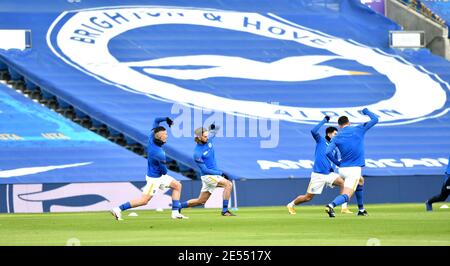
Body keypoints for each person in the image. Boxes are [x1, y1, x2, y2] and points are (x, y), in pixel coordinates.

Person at [111, 117, 188, 220]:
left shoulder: (152, 137)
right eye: (165, 134)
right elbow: (164, 171)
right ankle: (118, 209)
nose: (167, 135)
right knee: (144, 201)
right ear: (160, 137)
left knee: (177, 185)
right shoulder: (159, 153)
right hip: (154, 179)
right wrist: (164, 163)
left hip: (157, 176)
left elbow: (156, 120)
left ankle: (175, 213)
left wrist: (166, 119)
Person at [287, 116, 347, 214]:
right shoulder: (321, 140)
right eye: (335, 134)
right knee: (308, 198)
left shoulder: (335, 147)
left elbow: (334, 161)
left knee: (342, 183)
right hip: (318, 175)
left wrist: (333, 168)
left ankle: (343, 208)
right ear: (329, 134)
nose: (336, 136)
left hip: (328, 174)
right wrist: (324, 120)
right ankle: (291, 204)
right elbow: (313, 131)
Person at [324, 108, 378, 218]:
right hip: (353, 170)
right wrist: (366, 111)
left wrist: (337, 163)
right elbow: (375, 119)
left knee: (361, 180)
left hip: (342, 169)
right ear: (349, 123)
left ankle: (361, 209)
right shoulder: (359, 129)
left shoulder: (337, 136)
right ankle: (331, 205)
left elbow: (328, 152)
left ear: (339, 126)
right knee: (347, 195)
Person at [180, 124, 235, 216]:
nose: (207, 138)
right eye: (205, 136)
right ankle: (225, 211)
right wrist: (220, 173)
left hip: (212, 176)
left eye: (207, 135)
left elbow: (215, 130)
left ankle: (178, 206)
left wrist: (213, 127)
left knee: (200, 201)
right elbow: (204, 170)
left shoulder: (209, 140)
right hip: (208, 176)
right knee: (228, 184)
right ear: (199, 137)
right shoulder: (197, 153)